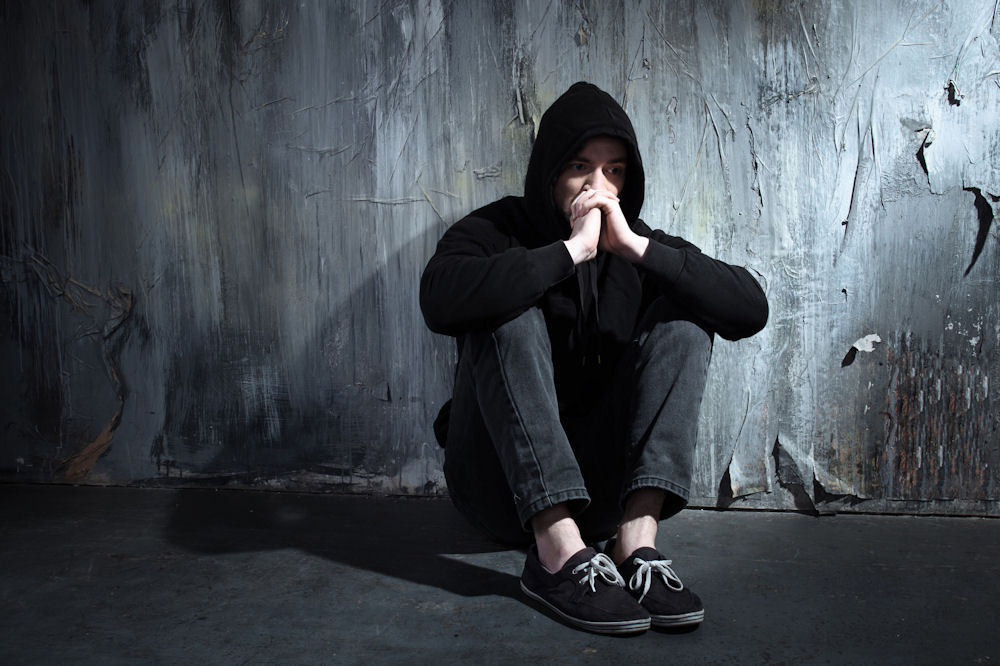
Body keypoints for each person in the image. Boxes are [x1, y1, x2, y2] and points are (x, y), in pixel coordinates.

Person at [419, 82, 768, 634]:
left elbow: (749, 309)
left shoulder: (634, 239)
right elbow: (438, 300)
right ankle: (554, 555)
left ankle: (636, 546)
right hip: (498, 488)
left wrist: (635, 249)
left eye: (615, 171)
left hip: (601, 500)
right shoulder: (496, 229)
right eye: (580, 166)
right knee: (504, 305)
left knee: (686, 316)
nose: (597, 187)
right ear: (551, 171)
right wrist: (570, 252)